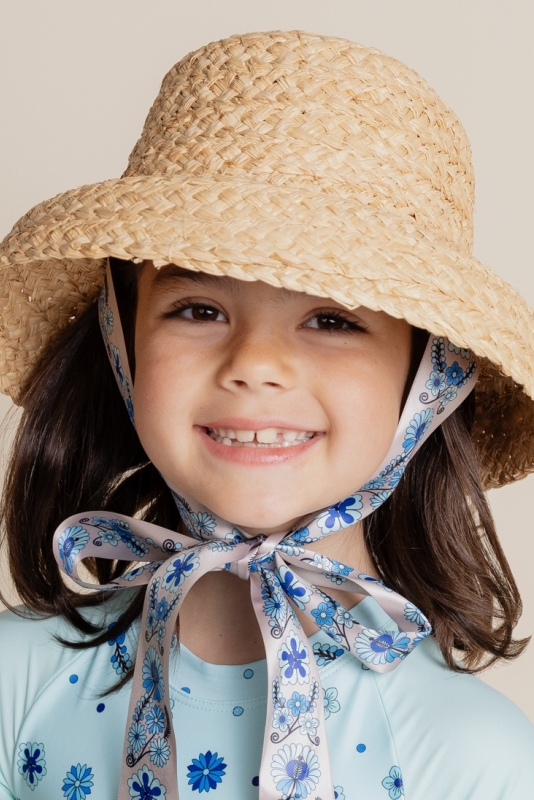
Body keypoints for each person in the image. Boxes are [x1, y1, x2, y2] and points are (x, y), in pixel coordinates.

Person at [0, 28, 533, 800]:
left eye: (332, 320)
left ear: (432, 374)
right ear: (122, 339)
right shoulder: (17, 686)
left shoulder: (474, 756)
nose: (255, 363)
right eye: (198, 307)